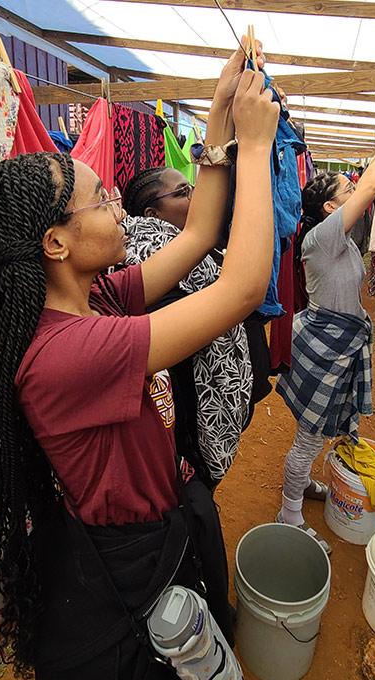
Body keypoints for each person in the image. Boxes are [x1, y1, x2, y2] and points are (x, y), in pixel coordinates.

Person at [0, 43, 279, 680]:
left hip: (162, 519)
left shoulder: (98, 296)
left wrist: (220, 115)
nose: (119, 211)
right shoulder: (67, 354)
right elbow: (243, 287)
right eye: (102, 202)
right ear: (56, 242)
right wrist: (254, 150)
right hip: (128, 560)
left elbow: (195, 238)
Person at [275, 104, 375, 554]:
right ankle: (288, 512)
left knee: (321, 431)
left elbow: (369, 183)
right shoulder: (323, 237)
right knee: (310, 436)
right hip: (326, 345)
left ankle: (299, 487)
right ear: (329, 207)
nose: (357, 188)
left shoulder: (336, 238)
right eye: (348, 188)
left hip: (337, 342)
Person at [122, 166, 270, 488]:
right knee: (195, 503)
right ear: (151, 214)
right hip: (193, 433)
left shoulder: (196, 252)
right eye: (182, 193)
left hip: (206, 420)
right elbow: (242, 293)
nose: (194, 197)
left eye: (192, 188)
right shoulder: (152, 276)